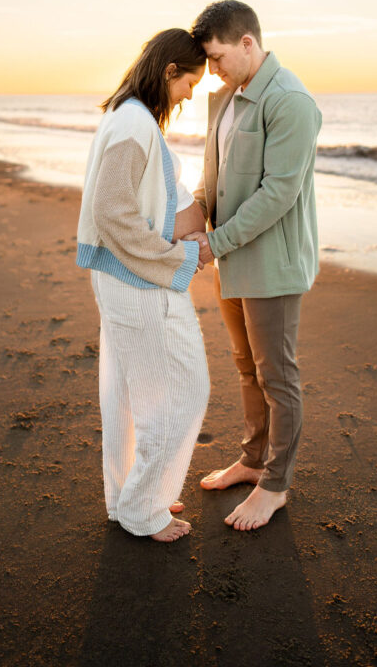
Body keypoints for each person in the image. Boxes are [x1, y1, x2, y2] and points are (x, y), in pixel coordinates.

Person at [188, 0, 322, 531]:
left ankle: (276, 484)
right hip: (230, 256)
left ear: (247, 43)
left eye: (218, 58)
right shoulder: (222, 99)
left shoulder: (291, 101)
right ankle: (252, 460)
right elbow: (211, 179)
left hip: (271, 265)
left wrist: (214, 242)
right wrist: (194, 222)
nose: (212, 72)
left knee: (277, 374)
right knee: (247, 368)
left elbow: (277, 195)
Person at [76, 28, 210, 542]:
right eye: (189, 83)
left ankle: (131, 498)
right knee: (183, 390)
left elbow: (138, 203)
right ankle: (143, 510)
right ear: (169, 71)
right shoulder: (133, 122)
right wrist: (176, 256)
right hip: (136, 282)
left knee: (129, 394)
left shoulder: (128, 115)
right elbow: (113, 211)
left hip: (121, 279)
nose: (191, 96)